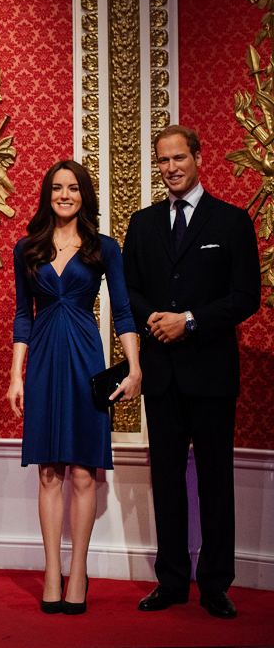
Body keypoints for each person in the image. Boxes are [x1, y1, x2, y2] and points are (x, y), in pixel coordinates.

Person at [123, 126, 260, 620]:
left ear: (198, 158)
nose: (172, 167)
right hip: (161, 375)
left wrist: (192, 322)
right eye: (163, 161)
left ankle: (216, 585)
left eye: (179, 158)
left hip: (212, 373)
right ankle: (172, 581)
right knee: (166, 482)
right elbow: (129, 288)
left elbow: (247, 297)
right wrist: (155, 319)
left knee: (215, 483)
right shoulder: (142, 224)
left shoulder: (232, 222)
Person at [6, 160, 142, 616]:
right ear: (47, 194)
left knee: (84, 472)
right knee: (49, 471)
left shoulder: (105, 248)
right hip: (43, 359)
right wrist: (14, 375)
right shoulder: (26, 247)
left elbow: (123, 311)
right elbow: (23, 315)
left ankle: (78, 571)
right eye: (57, 188)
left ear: (85, 195)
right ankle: (51, 571)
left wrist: (134, 368)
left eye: (73, 188)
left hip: (86, 356)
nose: (65, 195)